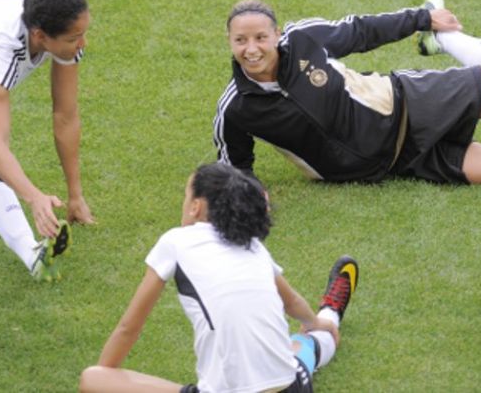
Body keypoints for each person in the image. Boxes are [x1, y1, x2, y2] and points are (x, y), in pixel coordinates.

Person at [79, 162, 359, 392]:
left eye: (186, 195)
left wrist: (107, 377)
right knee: (301, 347)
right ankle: (330, 315)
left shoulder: (175, 242)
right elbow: (292, 302)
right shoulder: (253, 246)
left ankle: (328, 320)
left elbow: (129, 327)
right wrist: (316, 322)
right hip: (293, 388)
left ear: (196, 207)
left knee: (93, 378)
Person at [214, 0, 481, 187]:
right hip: (397, 164)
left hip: (409, 103)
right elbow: (236, 166)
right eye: (241, 40)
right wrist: (252, 191)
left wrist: (422, 18)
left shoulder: (302, 39)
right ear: (229, 40)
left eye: (260, 37)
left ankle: (445, 40)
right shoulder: (236, 108)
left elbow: (360, 31)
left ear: (276, 34)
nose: (251, 49)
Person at [0, 0, 94, 281]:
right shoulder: (3, 45)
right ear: (40, 36)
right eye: (74, 38)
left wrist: (75, 194)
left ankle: (33, 255)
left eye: (83, 34)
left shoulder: (59, 30)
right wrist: (34, 197)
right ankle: (31, 253)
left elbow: (65, 115)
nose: (82, 44)